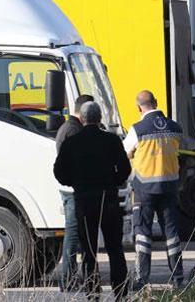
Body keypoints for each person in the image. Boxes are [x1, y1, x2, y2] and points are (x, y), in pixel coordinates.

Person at [54, 102, 131, 300]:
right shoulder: (111, 140)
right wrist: (113, 181)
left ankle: (92, 291)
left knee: (89, 250)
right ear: (99, 119)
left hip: (84, 200)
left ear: (83, 118)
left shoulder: (73, 142)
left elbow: (59, 171)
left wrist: (75, 183)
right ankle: (120, 291)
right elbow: (125, 169)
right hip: (108, 199)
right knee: (114, 247)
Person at [122, 90, 185, 291]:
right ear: (156, 103)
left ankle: (141, 280)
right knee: (172, 234)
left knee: (143, 234)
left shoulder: (137, 129)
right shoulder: (175, 128)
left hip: (144, 190)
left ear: (139, 107)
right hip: (169, 188)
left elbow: (126, 152)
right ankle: (178, 278)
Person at [54, 94, 94, 292]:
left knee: (75, 235)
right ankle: (68, 280)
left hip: (71, 189)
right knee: (72, 236)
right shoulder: (74, 130)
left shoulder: (69, 128)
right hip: (74, 191)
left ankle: (70, 278)